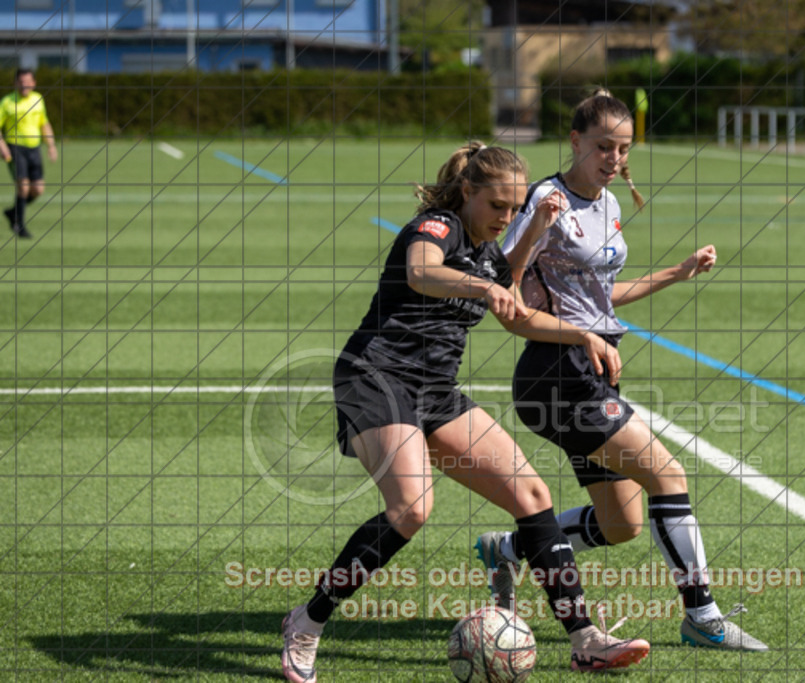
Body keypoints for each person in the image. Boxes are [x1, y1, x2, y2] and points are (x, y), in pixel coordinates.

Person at [280, 142, 651, 682]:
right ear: (468, 193)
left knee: (533, 496)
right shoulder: (436, 227)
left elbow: (519, 315)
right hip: (376, 378)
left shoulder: (487, 252)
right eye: (497, 207)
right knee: (412, 508)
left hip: (435, 391)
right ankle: (306, 623)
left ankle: (586, 640)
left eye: (514, 207)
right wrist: (484, 282)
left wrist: (583, 334)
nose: (505, 217)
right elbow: (421, 272)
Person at [474, 90, 768, 652]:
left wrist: (677, 274)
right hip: (556, 373)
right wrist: (536, 228)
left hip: (593, 372)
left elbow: (601, 299)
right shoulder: (546, 199)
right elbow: (503, 296)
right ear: (575, 141)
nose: (613, 157)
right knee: (669, 476)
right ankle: (702, 618)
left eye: (624, 148)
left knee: (621, 524)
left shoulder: (606, 203)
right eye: (603, 146)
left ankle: (507, 550)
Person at [0, 68, 58, 239]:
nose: (24, 85)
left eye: (27, 82)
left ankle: (13, 212)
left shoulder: (38, 99)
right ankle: (19, 224)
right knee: (23, 187)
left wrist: (51, 145)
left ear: (34, 83)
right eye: (21, 82)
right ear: (15, 83)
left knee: (38, 189)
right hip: (15, 147)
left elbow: (44, 123)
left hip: (34, 148)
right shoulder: (7, 102)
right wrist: (2, 146)